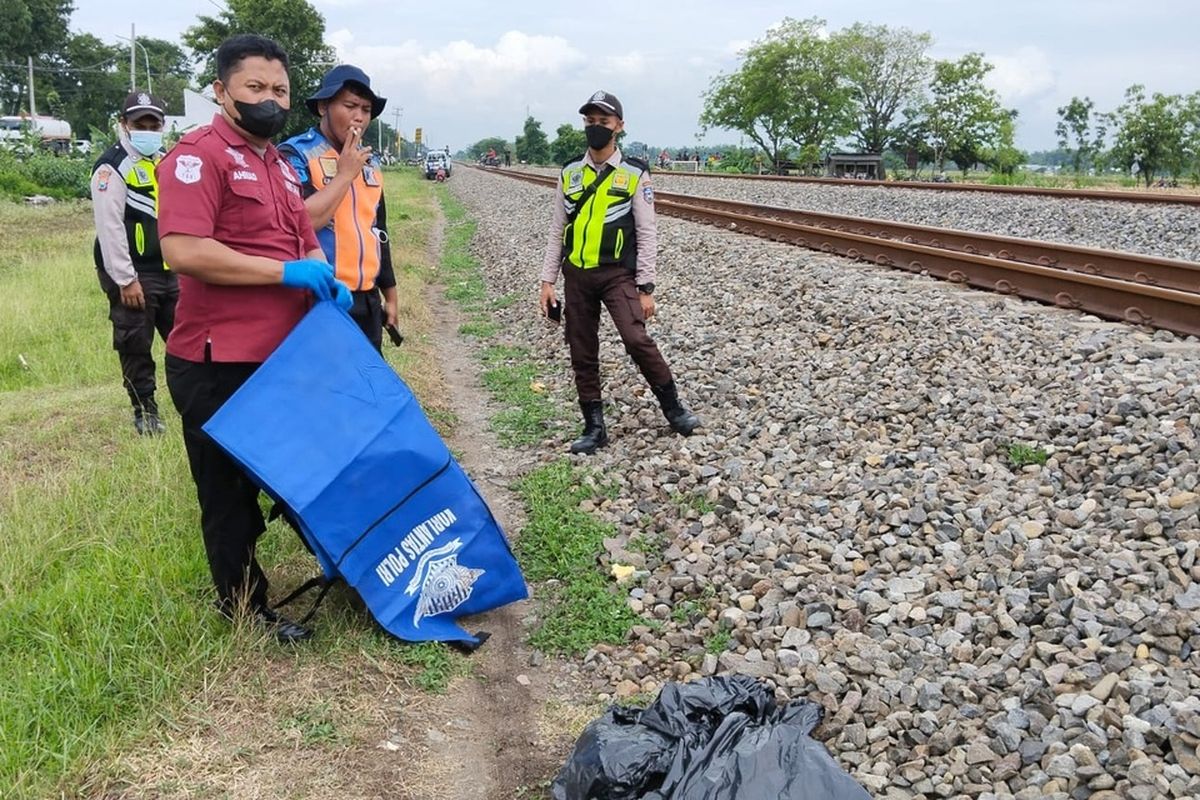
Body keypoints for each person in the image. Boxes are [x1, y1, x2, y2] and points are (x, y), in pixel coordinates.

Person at [157, 34, 352, 644]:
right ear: (221, 91)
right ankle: (245, 610)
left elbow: (301, 235)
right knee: (229, 494)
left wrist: (324, 281)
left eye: (280, 91)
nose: (270, 99)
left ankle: (351, 570)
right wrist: (283, 273)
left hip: (280, 358)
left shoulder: (274, 164)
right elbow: (184, 250)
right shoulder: (198, 156)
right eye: (255, 88)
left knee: (308, 471)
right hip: (217, 362)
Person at [539, 90, 700, 455]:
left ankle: (674, 408)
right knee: (581, 349)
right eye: (590, 122)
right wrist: (547, 281)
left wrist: (646, 287)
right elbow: (556, 230)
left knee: (636, 339)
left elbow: (646, 232)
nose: (596, 128)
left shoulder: (634, 174)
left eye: (604, 122)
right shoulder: (569, 173)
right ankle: (594, 426)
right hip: (576, 274)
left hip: (617, 276)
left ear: (619, 127)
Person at [279, 65, 398, 351]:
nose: (359, 117)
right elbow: (300, 223)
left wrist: (390, 295)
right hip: (320, 297)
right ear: (323, 107)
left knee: (368, 387)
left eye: (366, 109)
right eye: (350, 106)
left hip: (367, 299)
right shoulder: (295, 155)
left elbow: (378, 231)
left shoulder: (370, 163)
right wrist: (344, 175)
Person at [90, 91, 177, 435]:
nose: (147, 129)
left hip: (172, 270)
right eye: (140, 122)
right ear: (124, 125)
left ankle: (192, 401)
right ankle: (145, 411)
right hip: (135, 273)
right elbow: (109, 227)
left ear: (162, 126)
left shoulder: (166, 161)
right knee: (135, 342)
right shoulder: (111, 167)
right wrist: (126, 279)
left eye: (153, 123)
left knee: (185, 341)